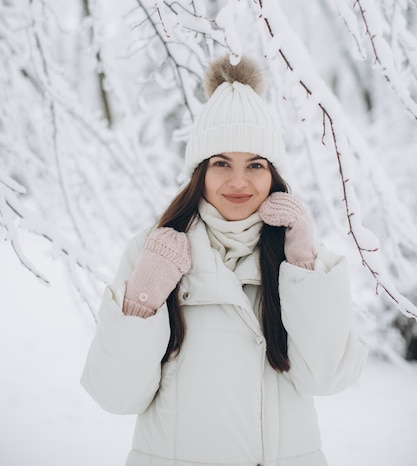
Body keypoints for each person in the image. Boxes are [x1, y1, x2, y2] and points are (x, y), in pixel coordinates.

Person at [81, 55, 368, 466]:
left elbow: (327, 377)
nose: (238, 181)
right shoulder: (154, 250)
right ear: (199, 171)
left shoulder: (300, 255)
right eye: (221, 163)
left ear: (274, 174)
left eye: (255, 164)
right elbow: (116, 394)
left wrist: (303, 265)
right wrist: (142, 301)